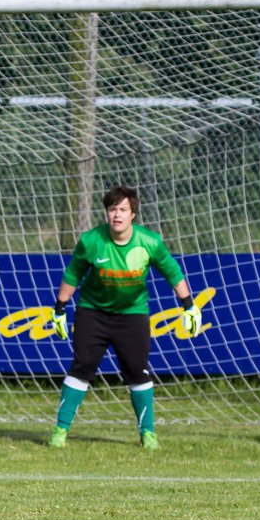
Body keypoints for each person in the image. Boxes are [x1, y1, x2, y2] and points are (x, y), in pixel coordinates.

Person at [47, 185, 204, 450]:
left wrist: (189, 306)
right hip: (92, 313)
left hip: (133, 315)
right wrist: (59, 308)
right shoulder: (91, 240)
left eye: (123, 210)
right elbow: (73, 274)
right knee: (82, 367)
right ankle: (60, 430)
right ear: (106, 213)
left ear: (133, 214)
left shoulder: (150, 242)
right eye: (112, 209)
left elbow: (173, 273)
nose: (116, 215)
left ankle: (148, 434)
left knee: (137, 371)